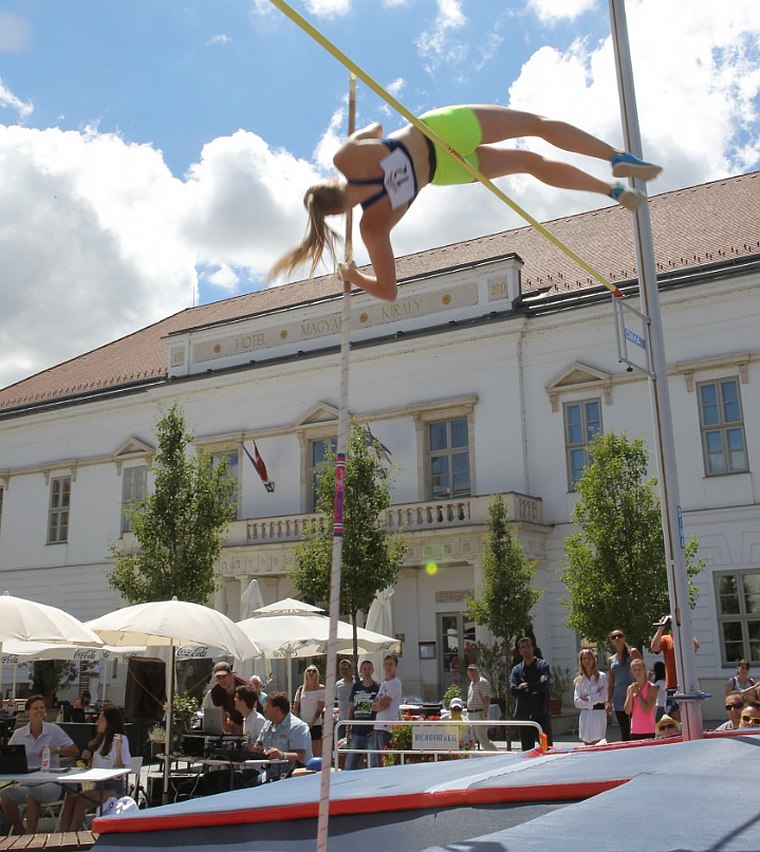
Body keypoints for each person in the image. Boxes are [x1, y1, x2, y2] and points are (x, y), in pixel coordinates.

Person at [270, 105, 662, 302]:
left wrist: (353, 277)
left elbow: (388, 291)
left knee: (527, 164)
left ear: (336, 214)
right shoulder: (345, 160)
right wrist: (359, 138)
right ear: (330, 185)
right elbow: (376, 129)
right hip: (439, 132)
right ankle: (613, 157)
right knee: (536, 126)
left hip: (446, 170)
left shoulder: (373, 224)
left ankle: (608, 192)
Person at [0, 694, 79, 835]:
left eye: (42, 708)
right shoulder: (19, 734)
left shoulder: (53, 730)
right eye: (35, 708)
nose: (39, 711)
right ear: (27, 712)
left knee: (33, 796)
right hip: (27, 783)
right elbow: (7, 755)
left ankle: (31, 839)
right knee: (5, 796)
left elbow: (74, 750)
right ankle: (21, 832)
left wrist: (56, 749)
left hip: (51, 783)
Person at [58, 707, 130, 832]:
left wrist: (118, 750)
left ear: (110, 722)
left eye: (101, 720)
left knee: (81, 803)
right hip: (99, 785)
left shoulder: (120, 739)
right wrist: (89, 759)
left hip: (113, 788)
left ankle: (71, 837)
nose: (97, 722)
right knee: (70, 800)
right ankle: (61, 836)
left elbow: (121, 769)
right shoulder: (101, 740)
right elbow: (97, 767)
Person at [650, 615, 699, 716]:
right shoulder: (666, 639)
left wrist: (685, 627)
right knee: (673, 716)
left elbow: (694, 647)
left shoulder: (686, 637)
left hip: (688, 683)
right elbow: (654, 648)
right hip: (672, 685)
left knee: (689, 715)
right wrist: (661, 628)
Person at [251, 691, 312, 773]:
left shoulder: (298, 727)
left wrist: (282, 755)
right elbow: (259, 745)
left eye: (267, 706)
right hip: (269, 774)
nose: (264, 710)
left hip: (291, 777)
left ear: (277, 710)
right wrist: (256, 749)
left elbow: (301, 757)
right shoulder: (267, 725)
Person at [510, 637, 552, 751]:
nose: (526, 649)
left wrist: (526, 686)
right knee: (527, 751)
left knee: (547, 749)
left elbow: (544, 684)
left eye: (528, 646)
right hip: (524, 715)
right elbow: (513, 690)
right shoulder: (516, 670)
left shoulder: (542, 665)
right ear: (519, 651)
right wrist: (534, 689)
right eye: (523, 647)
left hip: (541, 713)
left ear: (533, 648)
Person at [606, 629, 641, 742]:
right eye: (614, 637)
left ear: (624, 638)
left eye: (619, 636)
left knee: (635, 727)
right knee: (624, 730)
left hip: (634, 694)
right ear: (611, 641)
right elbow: (611, 682)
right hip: (619, 697)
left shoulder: (633, 652)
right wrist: (608, 701)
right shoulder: (611, 659)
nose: (617, 639)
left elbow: (643, 672)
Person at [344, 660, 380, 771]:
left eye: (369, 669)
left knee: (373, 765)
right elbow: (351, 708)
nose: (367, 671)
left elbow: (380, 710)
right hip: (356, 732)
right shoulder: (356, 687)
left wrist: (376, 727)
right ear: (360, 671)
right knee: (349, 765)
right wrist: (347, 729)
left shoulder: (377, 687)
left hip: (371, 733)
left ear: (372, 670)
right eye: (364, 669)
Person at [369, 654, 402, 768]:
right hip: (378, 726)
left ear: (396, 667)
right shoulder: (384, 684)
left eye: (391, 664)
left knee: (385, 761)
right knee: (376, 762)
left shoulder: (395, 683)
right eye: (386, 664)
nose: (388, 667)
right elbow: (374, 704)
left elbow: (383, 704)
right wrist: (378, 705)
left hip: (387, 727)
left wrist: (379, 705)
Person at [573, 648, 608, 746]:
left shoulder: (601, 677)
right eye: (584, 659)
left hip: (598, 715)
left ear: (594, 659)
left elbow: (603, 697)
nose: (587, 661)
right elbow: (577, 702)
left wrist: (588, 698)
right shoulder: (579, 680)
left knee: (598, 743)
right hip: (585, 716)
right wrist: (595, 697)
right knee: (587, 743)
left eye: (589, 658)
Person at [203, 661, 248, 735]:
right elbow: (223, 720)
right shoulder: (215, 692)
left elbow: (252, 715)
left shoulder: (245, 688)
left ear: (231, 675)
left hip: (252, 723)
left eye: (224, 676)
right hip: (234, 723)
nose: (221, 680)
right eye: (218, 677)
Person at [293, 665, 326, 758]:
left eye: (314, 671)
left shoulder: (321, 689)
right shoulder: (300, 689)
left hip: (315, 724)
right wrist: (298, 723)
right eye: (309, 671)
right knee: (303, 752)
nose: (311, 673)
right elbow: (296, 707)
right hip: (302, 725)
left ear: (317, 675)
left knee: (316, 752)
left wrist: (311, 723)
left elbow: (320, 709)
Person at [624, 658, 658, 740]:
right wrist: (630, 694)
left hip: (648, 730)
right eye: (634, 670)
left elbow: (647, 709)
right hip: (634, 730)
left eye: (639, 669)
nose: (637, 672)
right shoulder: (630, 688)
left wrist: (638, 693)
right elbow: (627, 711)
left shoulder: (652, 687)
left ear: (644, 669)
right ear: (631, 672)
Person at [465, 663, 496, 751]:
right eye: (470, 671)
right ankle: (471, 758)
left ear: (477, 671)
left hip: (479, 713)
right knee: (470, 739)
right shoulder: (471, 683)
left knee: (483, 739)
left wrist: (484, 714)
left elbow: (486, 698)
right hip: (470, 714)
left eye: (473, 671)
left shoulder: (482, 682)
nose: (471, 673)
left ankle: (497, 755)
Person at [335, 659, 355, 742]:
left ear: (351, 669)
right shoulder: (338, 684)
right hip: (341, 722)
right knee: (340, 749)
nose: (344, 670)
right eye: (341, 668)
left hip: (355, 722)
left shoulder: (357, 682)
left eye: (346, 668)